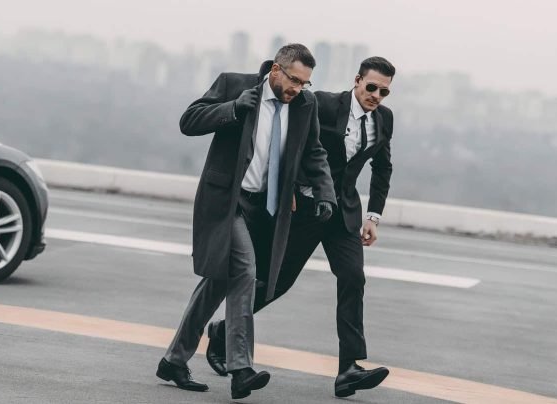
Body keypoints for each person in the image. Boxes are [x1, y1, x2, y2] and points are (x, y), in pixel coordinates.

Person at [205, 57, 398, 398]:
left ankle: (348, 369)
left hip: (343, 215)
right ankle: (224, 332)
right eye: (371, 87)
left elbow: (383, 168)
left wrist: (373, 216)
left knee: (354, 278)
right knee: (276, 281)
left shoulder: (384, 119)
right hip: (305, 209)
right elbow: (289, 142)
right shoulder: (321, 102)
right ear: (357, 81)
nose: (376, 96)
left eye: (384, 91)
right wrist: (288, 187)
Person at [156, 44, 335, 400]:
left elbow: (314, 152)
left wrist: (325, 191)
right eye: (295, 80)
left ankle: (174, 360)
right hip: (227, 201)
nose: (298, 89)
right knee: (245, 273)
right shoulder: (234, 86)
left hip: (266, 210)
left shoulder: (304, 105)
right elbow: (189, 121)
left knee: (217, 283)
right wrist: (233, 109)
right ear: (275, 71)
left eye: (305, 83)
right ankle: (240, 368)